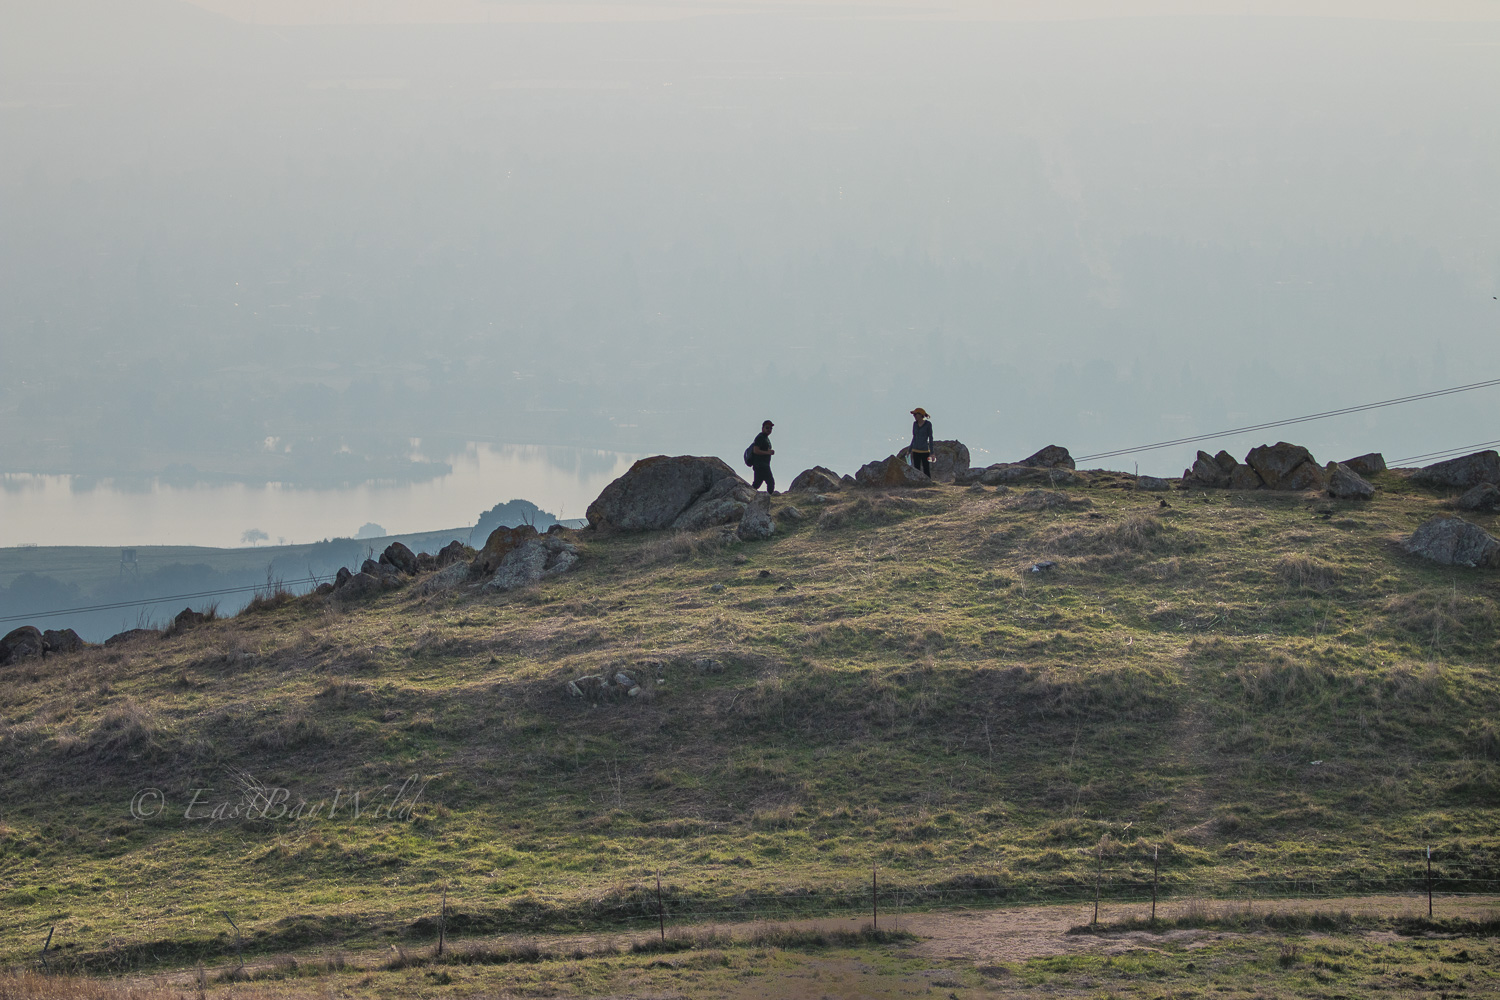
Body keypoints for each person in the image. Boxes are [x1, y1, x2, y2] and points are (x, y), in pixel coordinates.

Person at [750, 420, 776, 494]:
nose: (769, 430)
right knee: (770, 482)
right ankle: (769, 498)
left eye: (770, 428)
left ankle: (751, 496)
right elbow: (756, 450)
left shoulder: (765, 438)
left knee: (757, 483)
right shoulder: (760, 437)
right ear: (763, 428)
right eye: (767, 428)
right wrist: (768, 452)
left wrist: (769, 451)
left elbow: (763, 449)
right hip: (761, 465)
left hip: (762, 465)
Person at [909, 407, 934, 477]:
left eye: (915, 414)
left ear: (920, 415)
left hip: (924, 450)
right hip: (915, 450)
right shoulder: (915, 424)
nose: (914, 416)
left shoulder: (928, 424)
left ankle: (928, 483)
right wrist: (909, 450)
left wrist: (932, 452)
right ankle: (918, 484)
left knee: (926, 469)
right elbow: (914, 437)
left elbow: (930, 438)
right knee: (916, 469)